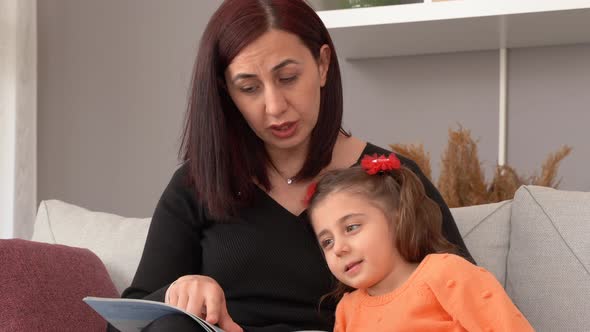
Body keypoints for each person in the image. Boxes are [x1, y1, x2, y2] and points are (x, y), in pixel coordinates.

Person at [114, 0, 473, 331]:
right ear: (226, 92)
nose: (274, 106)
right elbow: (123, 321)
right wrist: (179, 291)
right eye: (249, 88)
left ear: (322, 65)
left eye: (288, 78)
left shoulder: (389, 176)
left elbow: (464, 293)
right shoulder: (197, 184)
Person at [305, 153, 534, 332]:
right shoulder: (348, 309)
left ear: (396, 218)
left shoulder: (445, 273)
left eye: (351, 227)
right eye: (327, 241)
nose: (339, 249)